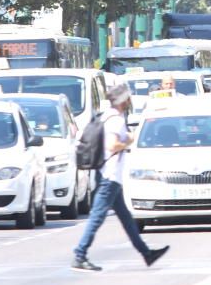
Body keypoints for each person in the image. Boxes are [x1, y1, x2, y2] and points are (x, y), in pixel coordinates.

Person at [72, 81, 169, 272]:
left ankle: (146, 253)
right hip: (110, 175)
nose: (130, 100)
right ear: (123, 100)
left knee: (125, 217)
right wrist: (130, 140)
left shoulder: (106, 116)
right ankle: (80, 254)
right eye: (128, 97)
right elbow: (113, 145)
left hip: (108, 175)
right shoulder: (115, 119)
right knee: (97, 217)